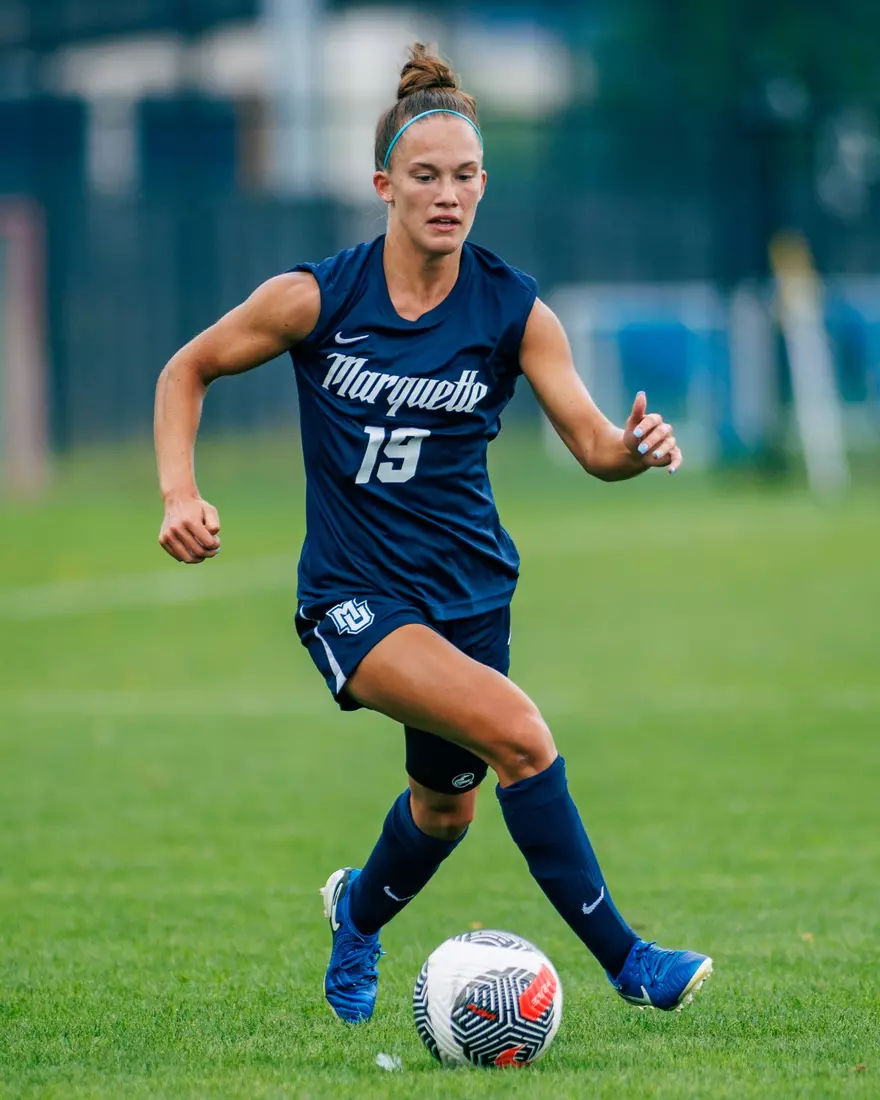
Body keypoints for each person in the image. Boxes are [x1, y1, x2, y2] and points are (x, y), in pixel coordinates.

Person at [154, 43, 712, 1028]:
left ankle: (355, 915)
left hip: (470, 594)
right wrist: (177, 491)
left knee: (443, 811)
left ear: (483, 185)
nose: (445, 194)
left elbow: (590, 442)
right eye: (424, 176)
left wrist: (635, 446)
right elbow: (183, 370)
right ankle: (629, 961)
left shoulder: (514, 309)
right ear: (382, 185)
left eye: (463, 176)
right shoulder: (318, 298)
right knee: (521, 737)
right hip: (353, 597)